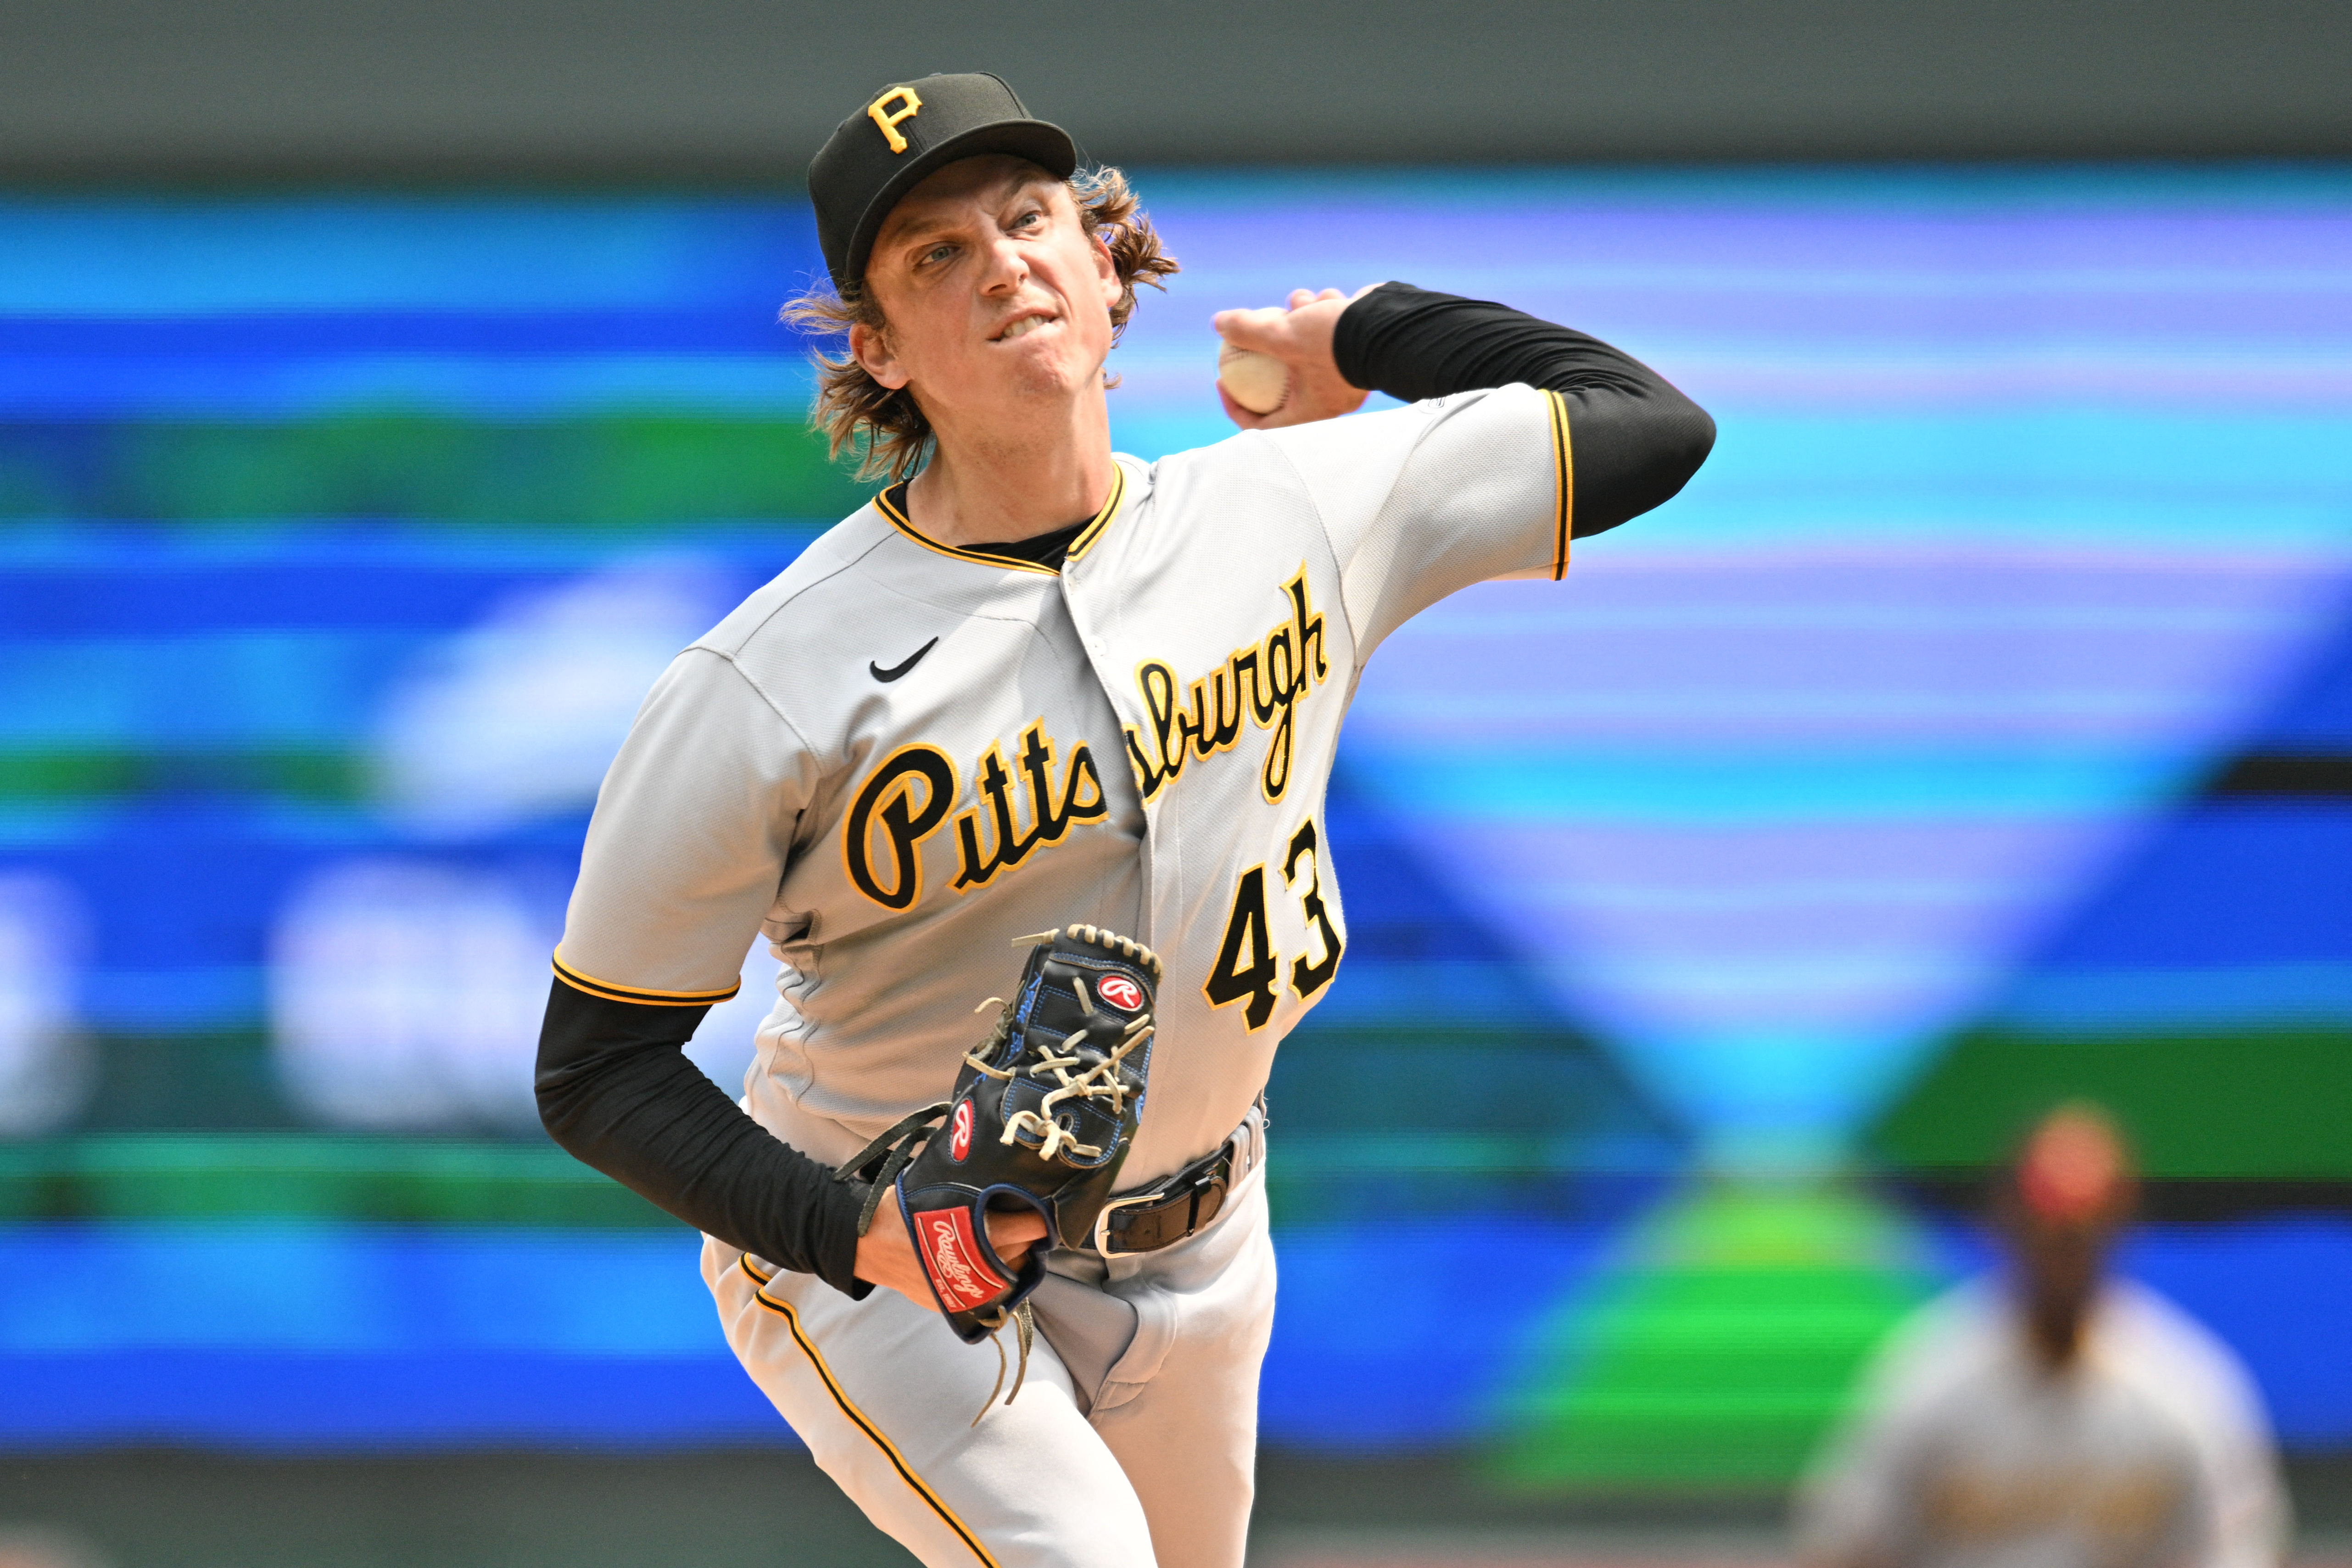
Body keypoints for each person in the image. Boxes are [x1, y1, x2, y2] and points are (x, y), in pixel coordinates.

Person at [535, 71, 1714, 1568]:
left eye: (1026, 218)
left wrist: (1364, 332)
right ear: (877, 352)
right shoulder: (767, 681)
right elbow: (595, 1067)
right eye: (931, 255)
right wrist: (855, 1233)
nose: (1001, 262)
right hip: (889, 1242)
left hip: (1208, 1239)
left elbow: (1647, 423)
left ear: (1106, 263)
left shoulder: (1291, 507)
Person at [1798, 1105, 2290, 1568]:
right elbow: (1844, 1546)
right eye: (2047, 1228)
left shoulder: (2185, 1387)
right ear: (2006, 1214)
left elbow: (2236, 1551)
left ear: (2118, 1220)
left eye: (2078, 1232)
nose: (2061, 1252)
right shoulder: (1928, 1376)